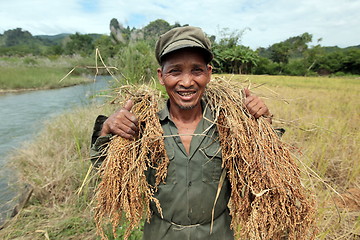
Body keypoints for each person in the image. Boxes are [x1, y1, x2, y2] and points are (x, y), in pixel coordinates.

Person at [91, 26, 273, 240]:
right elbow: (105, 172)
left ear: (208, 73)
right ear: (161, 76)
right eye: (175, 71)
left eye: (197, 70)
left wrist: (263, 124)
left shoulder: (231, 126)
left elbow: (264, 173)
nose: (186, 82)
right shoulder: (142, 127)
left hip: (217, 233)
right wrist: (107, 129)